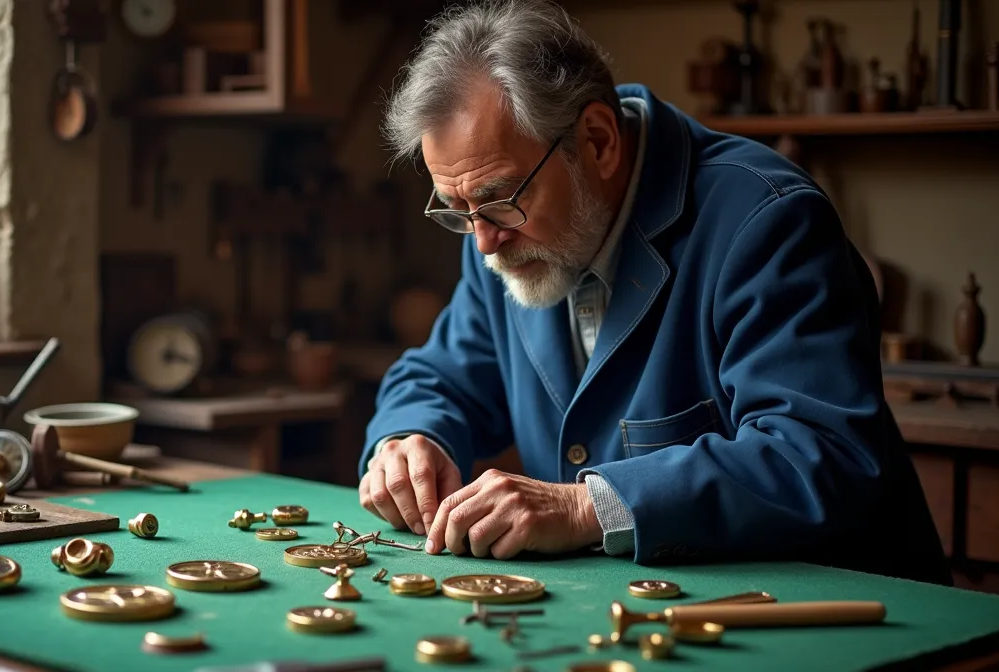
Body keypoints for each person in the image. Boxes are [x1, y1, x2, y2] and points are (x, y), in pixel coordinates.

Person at [358, 0, 950, 585]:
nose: (484, 241)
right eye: (457, 209)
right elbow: (442, 376)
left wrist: (582, 507)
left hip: (841, 615)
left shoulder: (767, 221)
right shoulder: (493, 228)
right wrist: (409, 439)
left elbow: (820, 455)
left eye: (501, 199)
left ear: (597, 141)